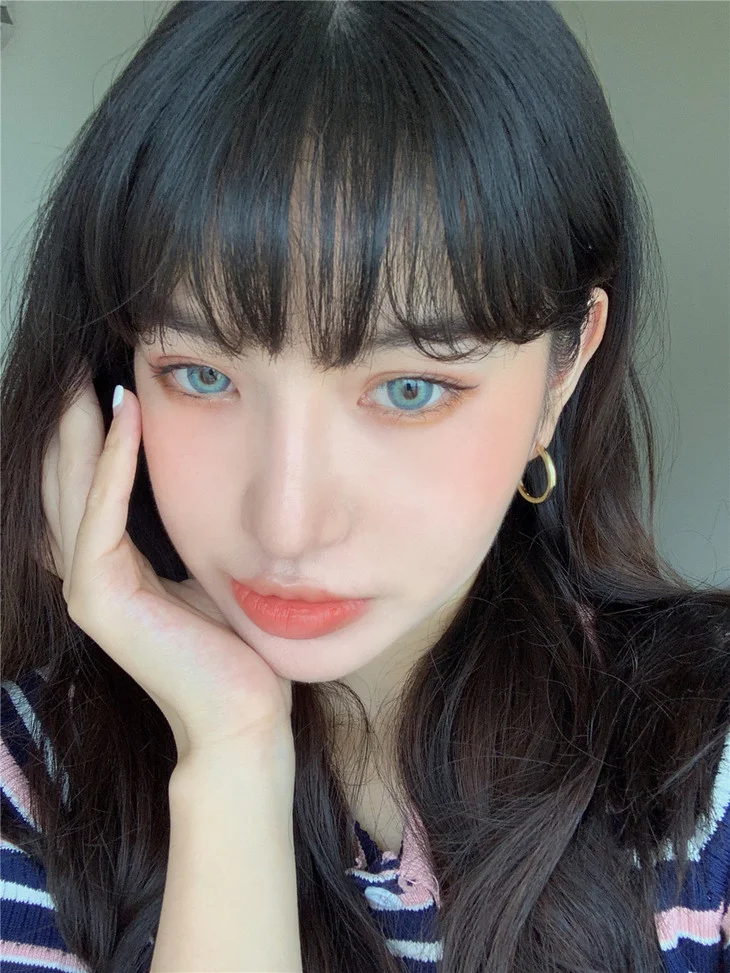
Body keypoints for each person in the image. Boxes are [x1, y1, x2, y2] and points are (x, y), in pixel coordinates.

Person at [1, 1, 728, 970]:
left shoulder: (705, 773)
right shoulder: (28, 786)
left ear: (564, 368)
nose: (287, 522)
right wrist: (229, 752)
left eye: (410, 388)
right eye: (202, 374)